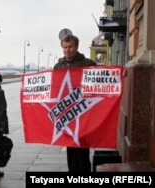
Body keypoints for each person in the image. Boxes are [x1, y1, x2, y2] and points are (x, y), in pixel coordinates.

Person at [53, 34, 97, 172]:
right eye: (65, 47)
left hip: (84, 113)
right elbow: (53, 88)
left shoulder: (88, 64)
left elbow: (104, 79)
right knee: (70, 149)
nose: (67, 50)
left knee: (83, 150)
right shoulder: (58, 66)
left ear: (76, 47)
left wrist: (121, 74)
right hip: (67, 115)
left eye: (70, 47)